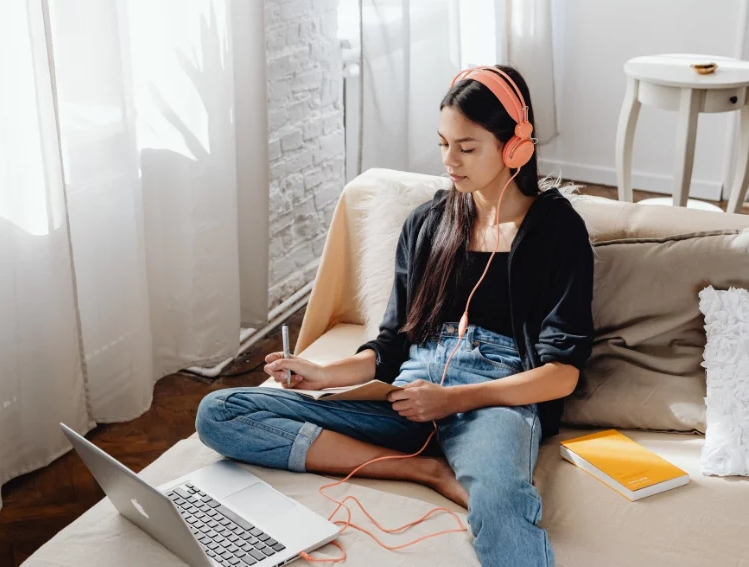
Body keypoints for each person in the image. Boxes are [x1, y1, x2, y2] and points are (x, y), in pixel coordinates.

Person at [195, 65, 594, 567]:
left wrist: (452, 400)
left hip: (491, 402)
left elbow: (563, 373)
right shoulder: (427, 224)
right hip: (407, 398)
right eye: (443, 143)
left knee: (499, 502)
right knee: (220, 412)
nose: (450, 161)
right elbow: (391, 347)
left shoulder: (558, 230)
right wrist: (324, 373)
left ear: (514, 146)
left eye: (467, 147)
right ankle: (425, 471)